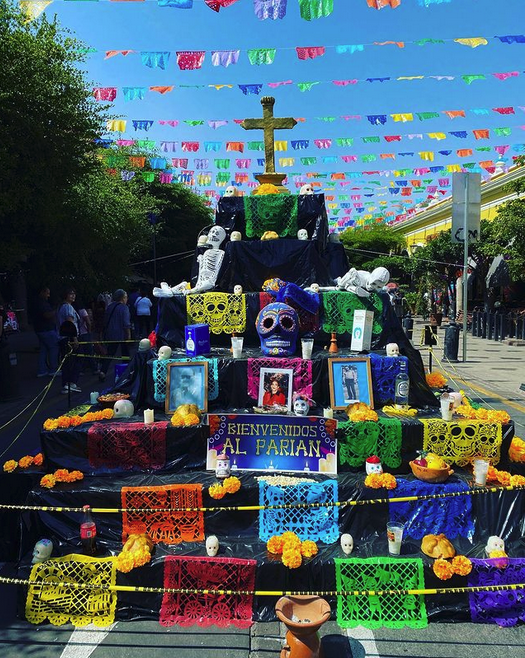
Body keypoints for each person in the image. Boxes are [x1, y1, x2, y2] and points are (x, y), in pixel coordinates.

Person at [99, 289, 131, 382]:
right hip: (121, 334)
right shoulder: (124, 308)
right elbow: (126, 323)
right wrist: (128, 334)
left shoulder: (110, 307)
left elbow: (105, 320)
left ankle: (103, 371)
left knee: (110, 353)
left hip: (110, 333)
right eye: (126, 297)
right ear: (123, 298)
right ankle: (127, 373)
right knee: (125, 353)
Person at [57, 289, 82, 393]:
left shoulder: (62, 307)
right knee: (73, 361)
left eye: (74, 293)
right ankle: (71, 383)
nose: (73, 296)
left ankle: (67, 383)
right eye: (70, 294)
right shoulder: (67, 307)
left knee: (68, 361)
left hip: (64, 337)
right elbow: (69, 322)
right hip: (69, 338)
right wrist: (74, 337)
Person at [32, 286, 59, 377]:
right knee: (54, 347)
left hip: (40, 329)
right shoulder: (42, 303)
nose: (48, 295)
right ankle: (53, 369)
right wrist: (55, 311)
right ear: (42, 292)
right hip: (46, 329)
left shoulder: (36, 302)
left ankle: (42, 370)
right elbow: (46, 315)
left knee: (43, 350)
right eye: (47, 293)